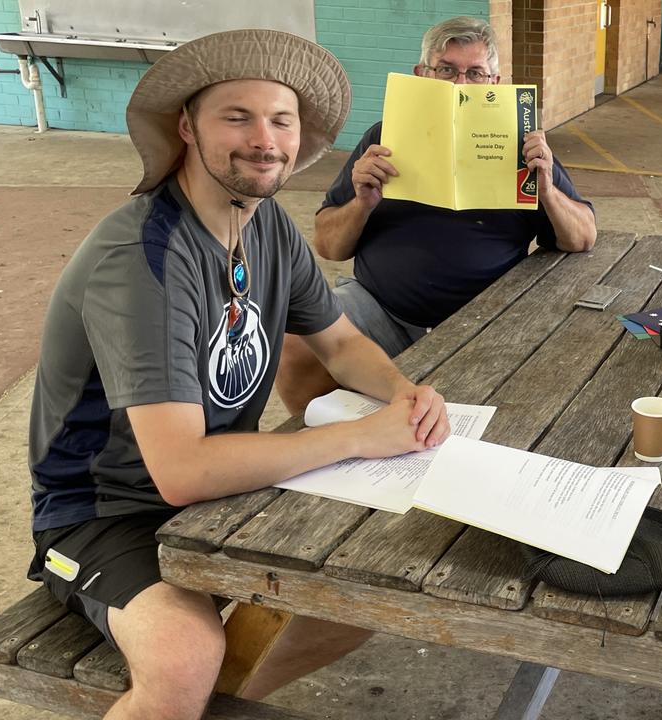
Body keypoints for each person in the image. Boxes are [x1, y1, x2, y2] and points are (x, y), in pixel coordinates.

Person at [27, 30, 451, 719]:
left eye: (281, 119)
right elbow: (182, 471)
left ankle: (210, 701)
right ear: (186, 128)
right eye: (237, 116)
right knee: (183, 656)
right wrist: (362, 436)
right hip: (104, 511)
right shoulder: (145, 257)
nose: (265, 138)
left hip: (227, 484)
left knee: (374, 589)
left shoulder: (268, 227)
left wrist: (405, 393)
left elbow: (340, 343)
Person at [275, 16, 597, 415]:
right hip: (382, 308)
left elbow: (582, 237)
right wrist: (361, 202)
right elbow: (328, 246)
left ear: (494, 84)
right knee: (295, 339)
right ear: (422, 76)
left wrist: (546, 189)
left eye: (475, 73)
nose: (459, 86)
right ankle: (326, 447)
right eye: (446, 70)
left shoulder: (521, 142)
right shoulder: (383, 137)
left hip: (489, 319)